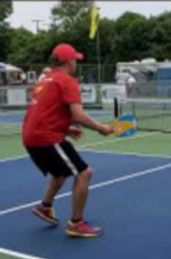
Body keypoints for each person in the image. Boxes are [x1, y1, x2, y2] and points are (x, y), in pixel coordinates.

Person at [22, 43, 114, 238]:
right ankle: (76, 223)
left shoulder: (45, 80)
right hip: (46, 138)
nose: (76, 63)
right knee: (84, 173)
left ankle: (45, 207)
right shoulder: (67, 81)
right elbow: (79, 115)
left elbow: (47, 111)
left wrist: (66, 127)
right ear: (68, 61)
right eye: (75, 59)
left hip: (31, 137)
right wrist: (101, 128)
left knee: (60, 173)